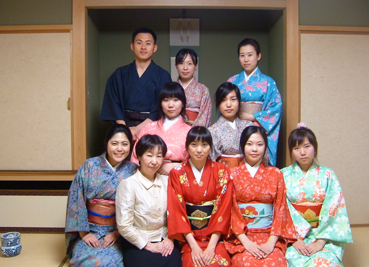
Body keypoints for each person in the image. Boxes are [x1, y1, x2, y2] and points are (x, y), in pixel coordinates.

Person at [281, 123, 353, 267]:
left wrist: (321, 242)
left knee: (326, 263)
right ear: (291, 151)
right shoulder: (282, 175)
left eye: (307, 146)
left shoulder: (328, 175)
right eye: (296, 148)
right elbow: (280, 208)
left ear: (315, 147)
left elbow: (334, 208)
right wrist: (294, 239)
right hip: (293, 237)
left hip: (324, 236)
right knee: (290, 260)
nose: (302, 152)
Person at [65, 124, 137, 267]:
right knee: (84, 261)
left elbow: (138, 206)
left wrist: (117, 232)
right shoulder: (89, 166)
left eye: (125, 144)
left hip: (119, 231)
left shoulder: (133, 171)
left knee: (113, 262)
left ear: (130, 146)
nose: (119, 149)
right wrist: (84, 234)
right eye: (114, 143)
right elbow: (76, 199)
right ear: (107, 144)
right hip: (89, 229)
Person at [224, 126, 296, 267]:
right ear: (242, 146)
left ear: (266, 147)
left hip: (269, 236)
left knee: (276, 263)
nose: (254, 149)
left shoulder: (275, 174)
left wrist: (271, 242)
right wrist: (246, 242)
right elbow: (230, 210)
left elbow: (280, 209)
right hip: (242, 238)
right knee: (245, 263)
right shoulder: (231, 174)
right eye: (249, 144)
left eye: (259, 144)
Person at [167, 126, 233, 267]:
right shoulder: (176, 173)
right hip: (189, 238)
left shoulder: (222, 171)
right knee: (192, 263)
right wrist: (194, 247)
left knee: (219, 263)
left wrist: (211, 247)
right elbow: (177, 211)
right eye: (194, 144)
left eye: (204, 145)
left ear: (210, 147)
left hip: (215, 238)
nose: (199, 150)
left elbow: (223, 209)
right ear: (187, 147)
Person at [115, 134, 182, 267]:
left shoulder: (168, 182)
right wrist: (148, 245)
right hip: (138, 242)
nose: (154, 161)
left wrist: (170, 239)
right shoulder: (129, 185)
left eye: (159, 156)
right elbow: (124, 225)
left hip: (165, 240)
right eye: (149, 155)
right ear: (139, 157)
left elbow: (176, 214)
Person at [100, 27, 172, 140]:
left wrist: (139, 129)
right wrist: (125, 129)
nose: (143, 47)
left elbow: (162, 106)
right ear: (132, 46)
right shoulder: (119, 74)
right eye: (139, 43)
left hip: (152, 126)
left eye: (148, 43)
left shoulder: (163, 76)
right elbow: (113, 103)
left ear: (155, 48)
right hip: (123, 125)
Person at [228, 38, 282, 166]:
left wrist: (251, 117)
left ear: (259, 56)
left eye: (250, 55)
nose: (246, 59)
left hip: (259, 131)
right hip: (236, 130)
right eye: (242, 55)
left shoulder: (269, 82)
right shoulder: (232, 81)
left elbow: (275, 108)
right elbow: (224, 108)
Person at [131, 82, 191, 175]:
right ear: (160, 103)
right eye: (166, 100)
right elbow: (135, 157)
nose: (170, 105)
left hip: (178, 177)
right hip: (148, 176)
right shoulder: (149, 127)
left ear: (183, 103)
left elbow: (196, 163)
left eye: (175, 100)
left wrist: (176, 166)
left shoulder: (190, 132)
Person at [208, 82, 253, 168]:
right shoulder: (212, 131)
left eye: (233, 99)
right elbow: (210, 163)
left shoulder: (249, 126)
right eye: (223, 100)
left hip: (248, 175)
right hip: (223, 176)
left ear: (239, 102)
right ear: (218, 104)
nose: (228, 105)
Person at [175, 48, 212, 127]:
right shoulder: (172, 89)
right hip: (174, 132)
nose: (185, 67)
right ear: (176, 66)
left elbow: (205, 117)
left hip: (195, 134)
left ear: (196, 66)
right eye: (181, 63)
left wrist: (194, 133)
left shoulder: (203, 90)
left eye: (189, 64)